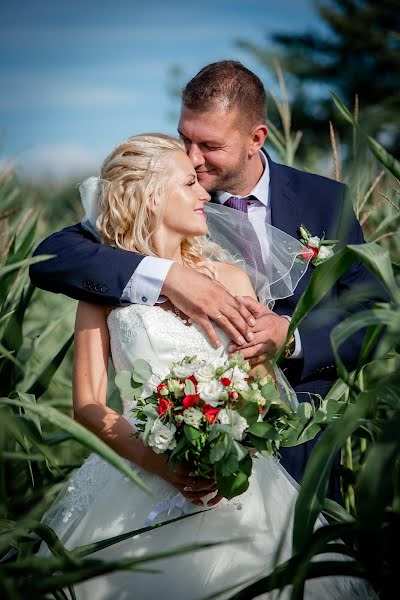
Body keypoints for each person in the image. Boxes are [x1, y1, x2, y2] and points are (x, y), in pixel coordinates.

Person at [39, 134, 368, 599]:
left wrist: (235, 432)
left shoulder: (232, 279)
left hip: (239, 482)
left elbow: (260, 386)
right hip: (136, 472)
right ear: (152, 197)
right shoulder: (101, 291)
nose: (203, 195)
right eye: (189, 183)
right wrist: (164, 465)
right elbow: (88, 405)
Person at [29, 61, 376, 501]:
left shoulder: (327, 202)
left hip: (298, 449)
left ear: (256, 139)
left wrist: (293, 338)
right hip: (158, 464)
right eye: (185, 138)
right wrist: (168, 277)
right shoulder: (169, 195)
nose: (193, 158)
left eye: (209, 145)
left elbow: (376, 319)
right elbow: (53, 256)